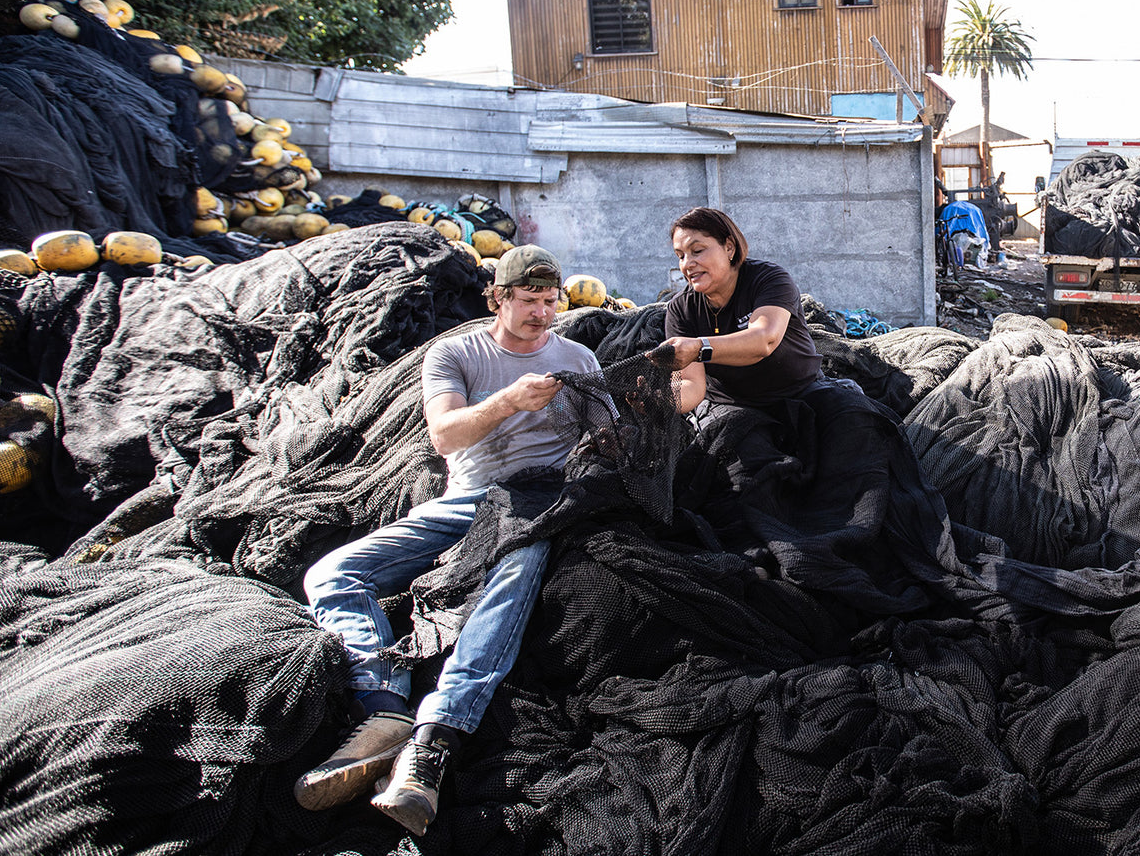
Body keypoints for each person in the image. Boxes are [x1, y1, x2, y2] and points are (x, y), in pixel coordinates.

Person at [293, 246, 601, 836]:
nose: (541, 314)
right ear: (499, 298)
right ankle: (383, 709)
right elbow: (444, 434)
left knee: (513, 576)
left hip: (543, 504)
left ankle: (432, 743)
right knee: (332, 575)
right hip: (469, 501)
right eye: (528, 301)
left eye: (548, 301)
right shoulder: (456, 351)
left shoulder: (578, 356)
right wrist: (510, 400)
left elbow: (610, 433)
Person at [657, 206, 824, 414]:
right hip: (732, 407)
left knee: (852, 425)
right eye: (680, 256)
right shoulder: (681, 309)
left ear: (729, 247)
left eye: (697, 251)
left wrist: (699, 348)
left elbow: (764, 339)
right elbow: (692, 384)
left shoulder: (769, 280)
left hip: (802, 392)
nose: (687, 264)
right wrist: (660, 401)